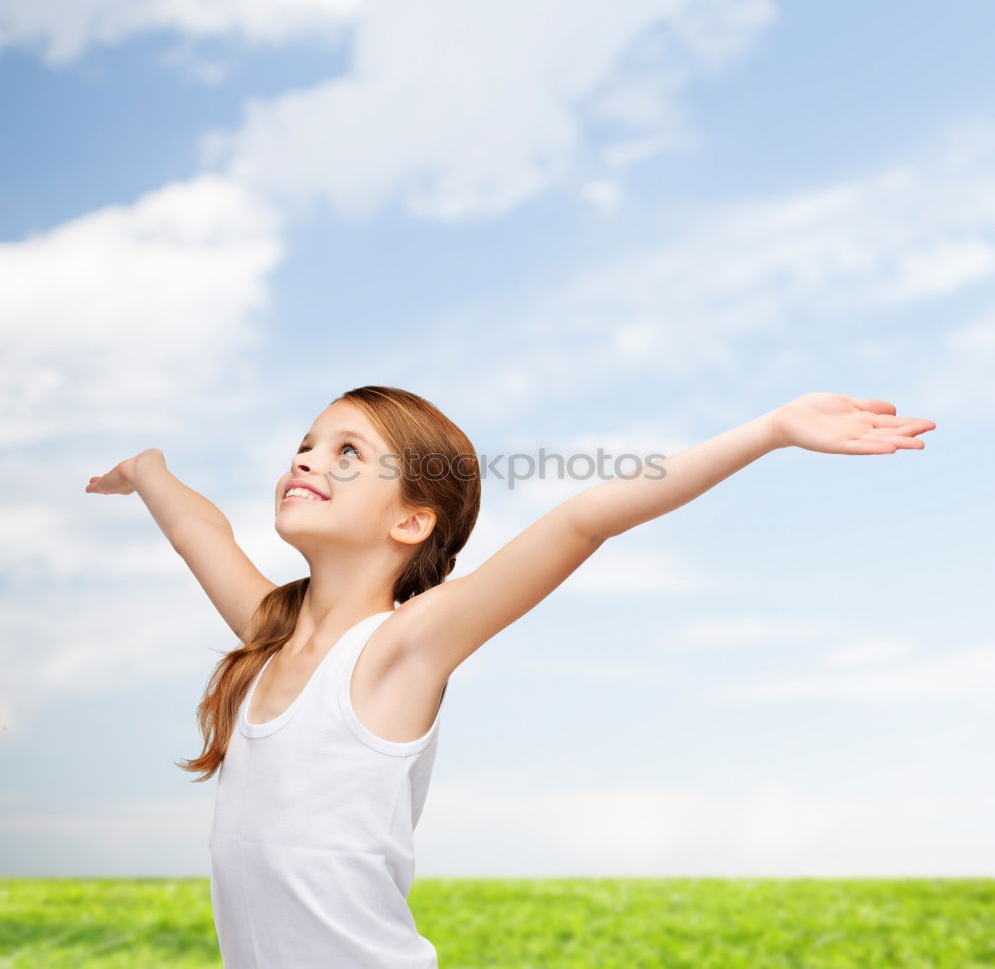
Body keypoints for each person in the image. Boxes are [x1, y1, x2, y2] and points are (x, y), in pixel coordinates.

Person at [84, 385, 936, 967]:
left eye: (347, 454)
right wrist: (148, 471)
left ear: (412, 520)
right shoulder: (268, 637)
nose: (307, 459)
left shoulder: (399, 652)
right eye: (306, 445)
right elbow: (201, 530)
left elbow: (581, 519)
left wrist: (768, 430)